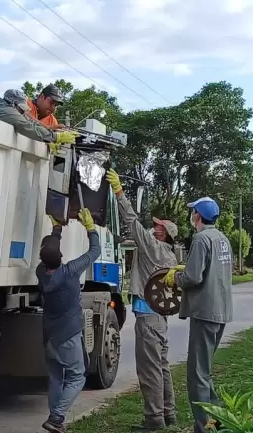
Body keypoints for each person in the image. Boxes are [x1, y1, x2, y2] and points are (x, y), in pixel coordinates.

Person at [105, 169, 178, 431]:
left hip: (147, 318)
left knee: (149, 371)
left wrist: (120, 192)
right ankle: (168, 413)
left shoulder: (153, 248)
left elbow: (132, 221)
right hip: (159, 318)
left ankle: (154, 419)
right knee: (162, 366)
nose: (153, 226)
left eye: (157, 226)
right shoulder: (169, 254)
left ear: (162, 234)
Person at [164, 197, 233, 433]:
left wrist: (176, 278)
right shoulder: (222, 239)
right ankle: (218, 420)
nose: (191, 215)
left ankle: (204, 427)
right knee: (204, 371)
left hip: (205, 313)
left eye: (193, 212)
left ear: (198, 216)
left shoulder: (201, 238)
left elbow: (194, 277)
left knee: (196, 376)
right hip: (221, 311)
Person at [36, 208, 101, 433]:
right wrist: (90, 228)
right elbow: (95, 251)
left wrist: (56, 229)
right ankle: (56, 417)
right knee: (77, 377)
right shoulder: (71, 271)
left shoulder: (41, 273)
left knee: (55, 377)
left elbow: (50, 252)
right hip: (68, 335)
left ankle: (56, 423)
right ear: (61, 256)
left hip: (50, 336)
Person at [0, 88, 76, 151]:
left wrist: (49, 131)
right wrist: (54, 137)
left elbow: (30, 122)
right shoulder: (4, 109)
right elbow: (25, 125)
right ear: (12, 104)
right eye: (21, 109)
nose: (22, 112)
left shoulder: (12, 109)